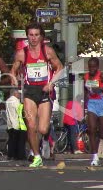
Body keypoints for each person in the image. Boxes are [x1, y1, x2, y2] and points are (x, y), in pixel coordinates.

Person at [10, 22, 63, 167]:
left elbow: (60, 68)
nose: (33, 38)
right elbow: (13, 69)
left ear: (41, 37)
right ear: (27, 36)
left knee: (42, 129)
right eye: (31, 35)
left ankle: (42, 142)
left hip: (44, 91)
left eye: (36, 35)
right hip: (29, 91)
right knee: (31, 125)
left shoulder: (48, 51)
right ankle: (37, 156)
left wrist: (51, 83)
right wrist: (14, 79)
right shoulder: (22, 53)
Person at [84, 57, 103, 166]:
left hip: (102, 104)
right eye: (90, 66)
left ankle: (99, 140)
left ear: (97, 67)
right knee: (91, 130)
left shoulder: (102, 76)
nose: (92, 69)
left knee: (101, 134)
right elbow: (85, 90)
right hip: (92, 103)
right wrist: (85, 104)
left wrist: (101, 89)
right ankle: (95, 156)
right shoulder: (86, 76)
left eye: (94, 67)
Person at [6, 89, 27, 160]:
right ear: (15, 93)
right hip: (18, 124)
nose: (20, 95)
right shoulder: (15, 100)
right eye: (19, 94)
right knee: (20, 142)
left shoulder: (8, 101)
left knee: (11, 141)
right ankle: (20, 156)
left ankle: (11, 155)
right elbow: (20, 110)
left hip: (10, 124)